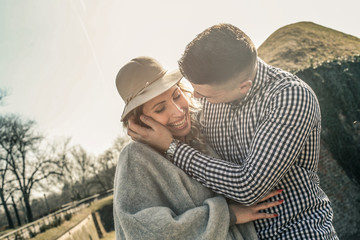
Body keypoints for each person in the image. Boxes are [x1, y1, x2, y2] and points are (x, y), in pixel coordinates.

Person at [128, 24, 338, 239]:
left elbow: (249, 187)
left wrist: (172, 148)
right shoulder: (212, 96)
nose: (196, 98)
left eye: (206, 95)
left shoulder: (290, 97)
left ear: (243, 87)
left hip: (297, 230)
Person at [113, 56, 284, 240]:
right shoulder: (136, 157)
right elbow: (145, 233)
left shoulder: (203, 131)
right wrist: (226, 215)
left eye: (177, 96)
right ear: (139, 121)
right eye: (160, 109)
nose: (178, 112)